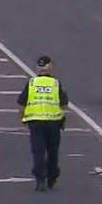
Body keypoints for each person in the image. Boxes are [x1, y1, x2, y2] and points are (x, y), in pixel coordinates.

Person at [17, 56, 68, 191]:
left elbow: (22, 105)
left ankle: (40, 179)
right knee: (52, 152)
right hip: (53, 123)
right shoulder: (56, 84)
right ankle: (52, 176)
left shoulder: (32, 83)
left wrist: (23, 119)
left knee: (38, 152)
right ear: (50, 68)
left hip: (35, 123)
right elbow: (64, 104)